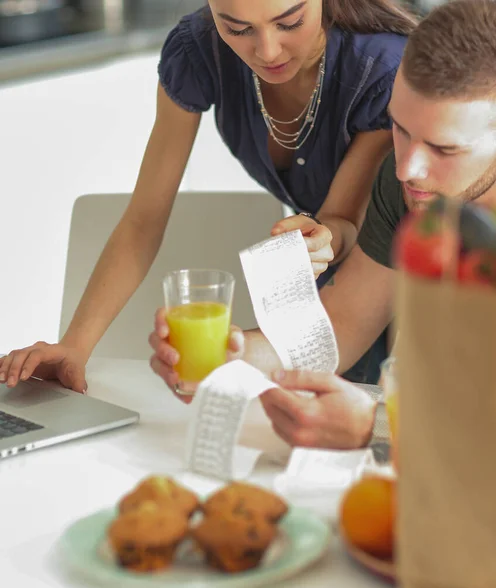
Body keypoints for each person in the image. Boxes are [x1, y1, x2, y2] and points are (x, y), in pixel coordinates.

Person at [149, 0, 496, 450]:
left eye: (444, 149)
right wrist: (227, 357)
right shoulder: (411, 186)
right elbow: (340, 326)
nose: (408, 169)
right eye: (401, 130)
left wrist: (376, 431)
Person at [0, 0, 417, 392]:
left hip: (400, 281)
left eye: (289, 23)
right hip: (326, 291)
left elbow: (345, 223)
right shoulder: (200, 51)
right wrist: (75, 345)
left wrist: (324, 239)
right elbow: (144, 218)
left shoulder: (383, 70)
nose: (267, 51)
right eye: (237, 29)